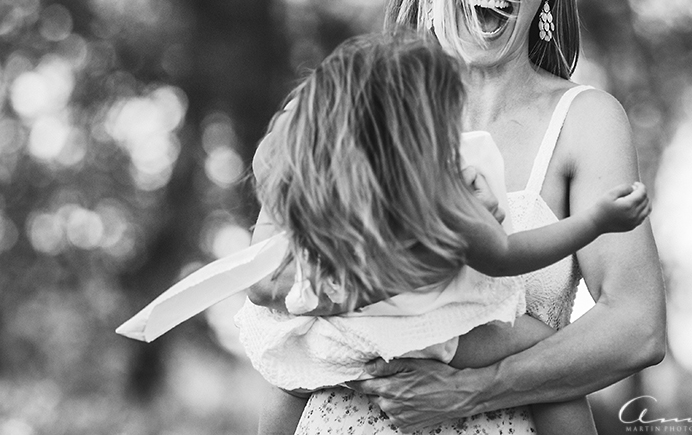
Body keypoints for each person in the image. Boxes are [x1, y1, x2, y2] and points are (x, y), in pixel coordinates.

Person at [248, 0, 666, 434]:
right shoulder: (355, 106)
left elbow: (638, 327)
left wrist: (470, 390)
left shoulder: (584, 121)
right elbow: (274, 296)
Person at [236, 34, 650, 435]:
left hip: (342, 339)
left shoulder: (337, 202)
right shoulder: (442, 200)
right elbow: (508, 254)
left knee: (289, 369)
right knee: (543, 350)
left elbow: (272, 195)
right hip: (432, 333)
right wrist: (594, 222)